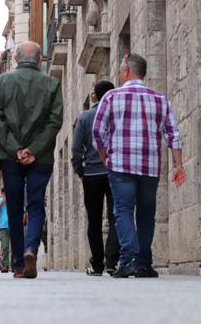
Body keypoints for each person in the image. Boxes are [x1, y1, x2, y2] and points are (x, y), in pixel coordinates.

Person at [92, 53, 186, 278]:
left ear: (126, 71)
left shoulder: (111, 97)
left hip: (121, 165)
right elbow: (173, 134)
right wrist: (178, 164)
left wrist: (105, 157)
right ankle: (143, 262)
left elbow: (97, 131)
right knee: (146, 213)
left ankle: (129, 259)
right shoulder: (160, 99)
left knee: (122, 210)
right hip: (150, 166)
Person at [0, 41, 63, 279]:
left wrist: (16, 149)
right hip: (40, 157)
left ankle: (19, 263)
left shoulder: (1, 82)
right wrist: (33, 149)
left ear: (16, 59)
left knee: (13, 206)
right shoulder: (52, 84)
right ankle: (32, 247)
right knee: (35, 203)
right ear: (40, 60)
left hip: (10, 157)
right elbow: (55, 121)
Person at [72, 80, 120, 276]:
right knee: (116, 216)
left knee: (93, 220)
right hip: (115, 172)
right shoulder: (118, 116)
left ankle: (97, 264)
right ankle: (112, 261)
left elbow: (76, 149)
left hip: (91, 174)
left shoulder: (84, 118)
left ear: (94, 96)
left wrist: (80, 170)